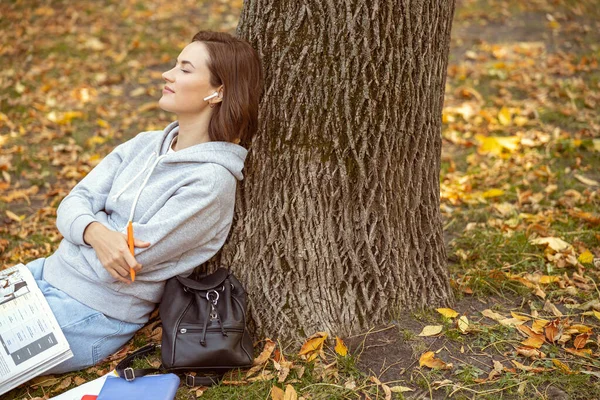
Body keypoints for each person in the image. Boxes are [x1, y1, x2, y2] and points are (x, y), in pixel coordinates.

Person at [23, 30, 263, 375]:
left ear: (217, 92)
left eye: (184, 68)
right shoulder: (145, 143)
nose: (168, 74)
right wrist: (95, 231)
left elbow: (125, 263)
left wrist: (91, 224)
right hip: (43, 273)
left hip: (89, 313)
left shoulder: (210, 182)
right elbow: (73, 202)